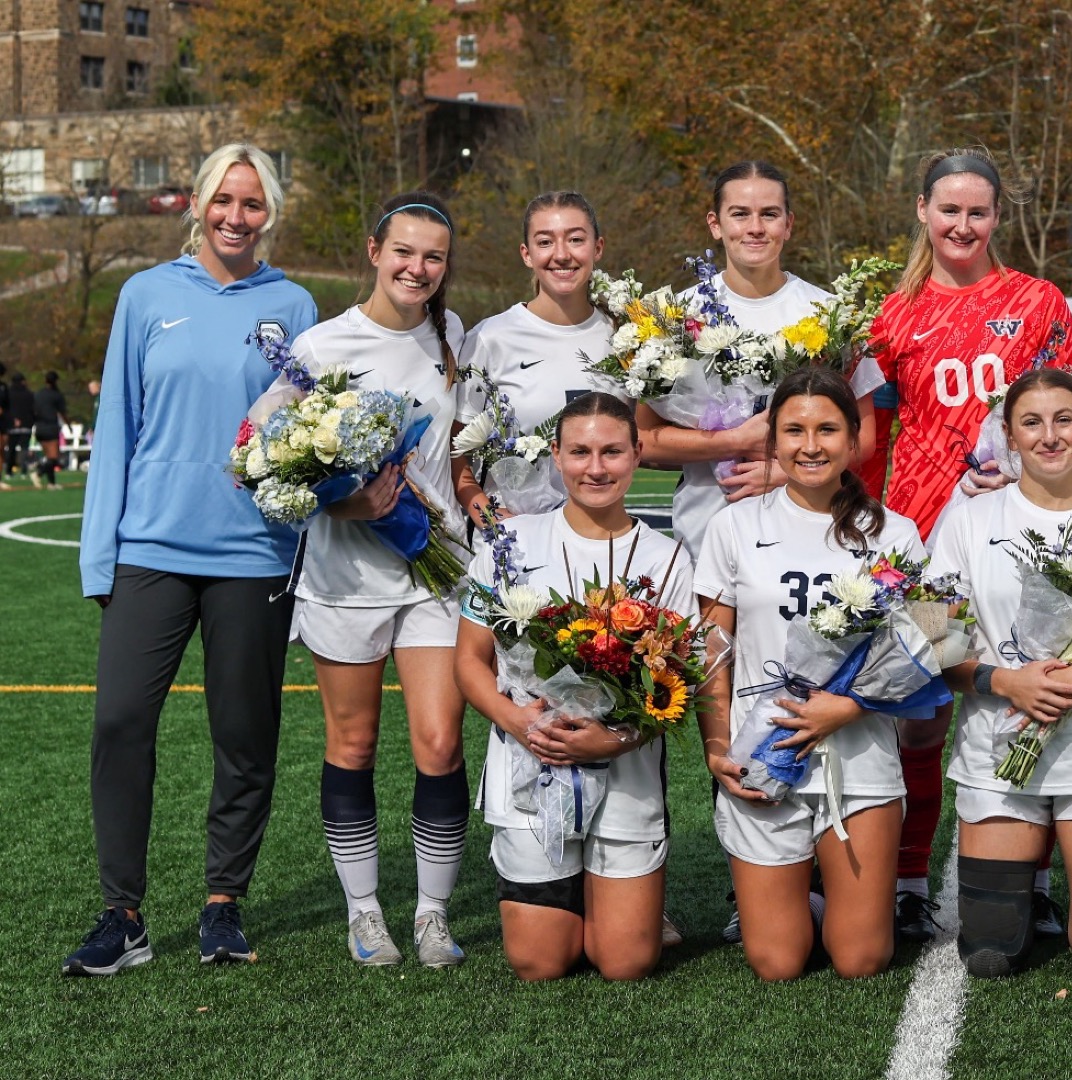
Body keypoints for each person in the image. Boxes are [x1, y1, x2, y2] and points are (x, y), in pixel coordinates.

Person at [67, 144, 316, 975]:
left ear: (269, 213)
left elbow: (302, 442)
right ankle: (122, 915)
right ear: (198, 205)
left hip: (253, 554)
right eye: (222, 201)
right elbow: (117, 434)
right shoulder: (146, 295)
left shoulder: (294, 304)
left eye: (252, 204)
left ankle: (222, 906)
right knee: (118, 723)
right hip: (150, 550)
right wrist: (100, 558)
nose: (235, 217)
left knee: (244, 735)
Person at [849, 149, 1072, 940]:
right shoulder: (888, 314)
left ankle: (1034, 882)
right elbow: (867, 436)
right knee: (921, 714)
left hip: (1021, 536)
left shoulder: (1036, 299)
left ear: (996, 217)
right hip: (921, 541)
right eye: (948, 209)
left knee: (1030, 696)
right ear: (922, 210)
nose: (962, 224)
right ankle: (911, 880)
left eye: (977, 211)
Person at [931, 368, 1072, 980]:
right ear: (1008, 435)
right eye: (1031, 423)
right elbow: (933, 645)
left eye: (1064, 420)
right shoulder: (965, 523)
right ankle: (1027, 895)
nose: (1049, 436)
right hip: (997, 749)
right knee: (989, 954)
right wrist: (1006, 682)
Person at [696, 368, 927, 980]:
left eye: (827, 429)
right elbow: (712, 654)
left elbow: (930, 645)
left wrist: (848, 707)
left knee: (861, 958)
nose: (810, 445)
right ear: (772, 440)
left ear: (854, 441)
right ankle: (801, 896)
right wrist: (718, 748)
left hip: (858, 753)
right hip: (763, 749)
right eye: (793, 430)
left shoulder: (893, 531)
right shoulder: (735, 525)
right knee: (777, 962)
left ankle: (835, 899)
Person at [290, 192, 471, 969]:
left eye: (433, 256)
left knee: (439, 740)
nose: (418, 268)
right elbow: (271, 466)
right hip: (345, 576)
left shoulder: (452, 333)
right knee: (354, 742)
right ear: (374, 251)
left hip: (436, 572)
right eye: (404, 251)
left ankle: (432, 915)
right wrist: (348, 498)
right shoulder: (320, 346)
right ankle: (365, 913)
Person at [454, 392, 689, 981]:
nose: (596, 467)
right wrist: (520, 722)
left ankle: (614, 900)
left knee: (625, 962)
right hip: (530, 763)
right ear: (555, 455)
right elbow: (469, 662)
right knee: (540, 963)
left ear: (637, 455)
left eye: (612, 451)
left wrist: (612, 740)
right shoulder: (510, 544)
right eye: (580, 451)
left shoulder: (667, 558)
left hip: (625, 769)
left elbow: (678, 680)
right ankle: (583, 894)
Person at [636, 161, 855, 560]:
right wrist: (733, 441)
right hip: (703, 536)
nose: (755, 227)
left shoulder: (828, 311)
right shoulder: (673, 317)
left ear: (789, 224)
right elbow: (643, 442)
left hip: (809, 532)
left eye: (769, 214)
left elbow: (865, 438)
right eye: (740, 214)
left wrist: (788, 470)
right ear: (715, 224)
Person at [452, 191, 617, 525]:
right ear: (526, 255)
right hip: (516, 545)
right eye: (545, 242)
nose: (561, 255)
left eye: (575, 239)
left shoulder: (625, 336)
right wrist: (486, 514)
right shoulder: (491, 337)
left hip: (602, 536)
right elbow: (456, 451)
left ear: (597, 247)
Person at [33, 371, 68, 488]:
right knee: (53, 457)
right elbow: (62, 412)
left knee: (49, 457)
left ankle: (51, 483)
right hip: (51, 427)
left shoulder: (38, 394)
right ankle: (38, 473)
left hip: (39, 427)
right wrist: (68, 425)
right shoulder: (57, 395)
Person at [5, 372, 31, 480]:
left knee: (11, 449)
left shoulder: (8, 394)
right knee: (24, 448)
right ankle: (24, 470)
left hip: (12, 426)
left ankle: (9, 471)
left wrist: (12, 420)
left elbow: (6, 409)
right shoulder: (28, 394)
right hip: (26, 425)